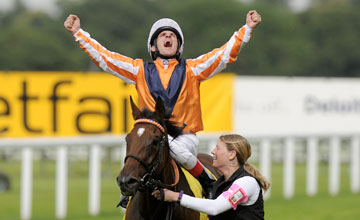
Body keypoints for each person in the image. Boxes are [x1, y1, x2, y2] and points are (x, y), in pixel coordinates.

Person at [64, 10, 262, 206]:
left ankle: (208, 181)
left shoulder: (193, 69)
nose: (168, 36)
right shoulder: (139, 70)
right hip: (152, 137)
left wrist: (247, 29)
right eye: (163, 35)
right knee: (139, 146)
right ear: (153, 45)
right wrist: (79, 33)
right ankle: (130, 189)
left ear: (178, 45)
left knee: (168, 144)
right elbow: (106, 58)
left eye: (172, 35)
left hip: (184, 138)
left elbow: (224, 55)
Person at [152, 134, 270, 220]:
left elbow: (215, 207)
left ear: (232, 154)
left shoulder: (247, 183)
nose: (213, 152)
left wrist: (176, 196)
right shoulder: (218, 184)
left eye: (218, 148)